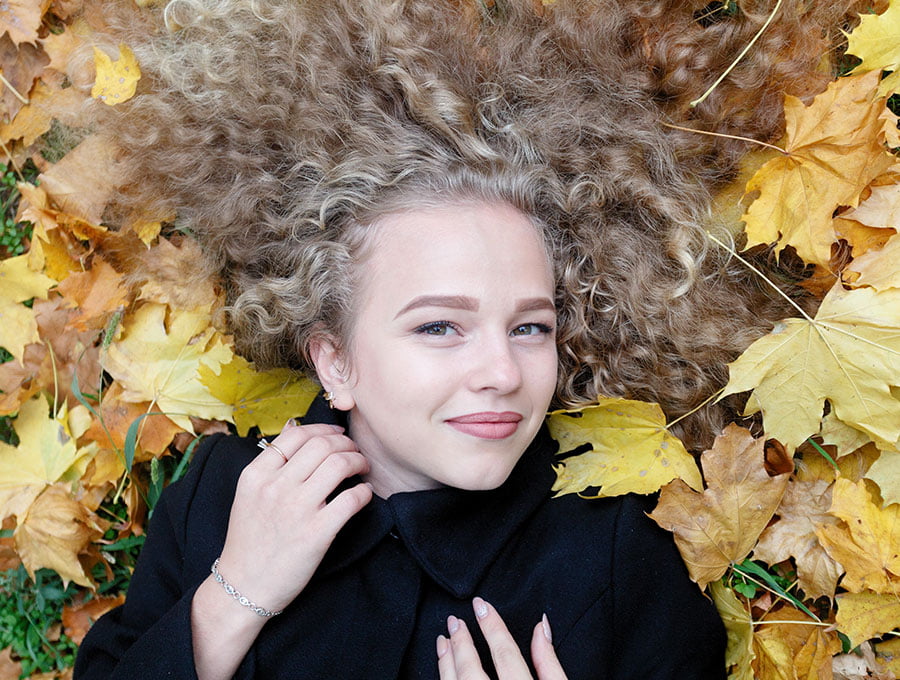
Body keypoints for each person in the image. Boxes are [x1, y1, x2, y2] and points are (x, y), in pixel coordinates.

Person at [74, 0, 845, 675]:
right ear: (334, 361)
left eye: (530, 327)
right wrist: (231, 599)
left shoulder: (620, 566)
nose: (502, 372)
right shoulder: (225, 496)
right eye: (440, 325)